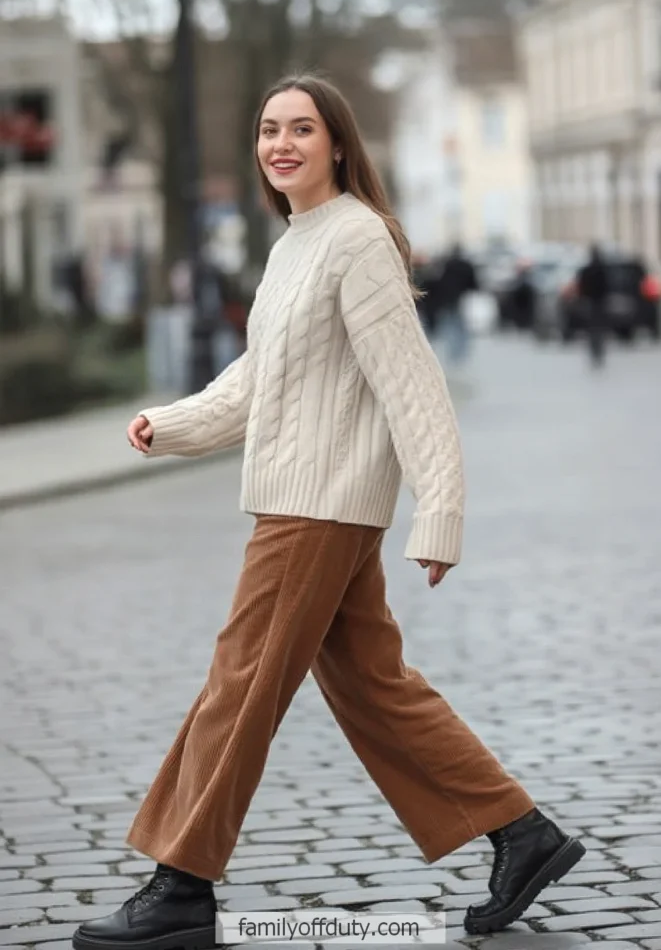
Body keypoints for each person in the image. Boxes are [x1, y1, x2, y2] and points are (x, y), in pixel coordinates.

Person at [72, 74, 585, 950]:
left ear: (338, 144)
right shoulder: (297, 244)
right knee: (373, 686)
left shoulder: (355, 239)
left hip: (314, 511)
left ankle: (181, 882)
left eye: (301, 130)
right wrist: (173, 424)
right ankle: (520, 832)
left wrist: (441, 514)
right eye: (269, 130)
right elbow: (258, 382)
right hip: (311, 504)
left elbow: (413, 387)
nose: (281, 145)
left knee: (237, 688)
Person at [433, 243, 479, 365]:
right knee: (462, 326)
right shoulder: (466, 265)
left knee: (451, 324)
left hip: (449, 298)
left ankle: (453, 352)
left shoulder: (448, 265)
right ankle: (461, 352)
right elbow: (473, 282)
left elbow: (441, 282)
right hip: (462, 297)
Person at [577, 243, 610, 366]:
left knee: (593, 329)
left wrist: (582, 300)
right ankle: (598, 352)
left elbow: (581, 287)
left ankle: (595, 352)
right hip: (599, 302)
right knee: (598, 329)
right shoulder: (602, 269)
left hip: (592, 302)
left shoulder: (588, 270)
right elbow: (608, 286)